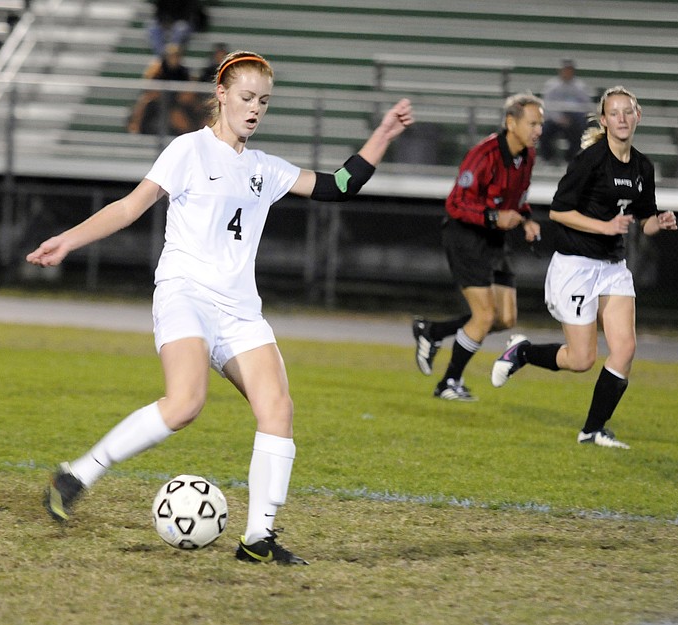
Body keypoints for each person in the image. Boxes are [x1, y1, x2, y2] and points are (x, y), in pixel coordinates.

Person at [27, 50, 414, 565]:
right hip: (184, 294)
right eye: (248, 97)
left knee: (278, 409)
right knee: (185, 403)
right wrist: (69, 241)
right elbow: (130, 206)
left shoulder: (264, 168)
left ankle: (258, 539)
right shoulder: (189, 150)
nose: (255, 108)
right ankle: (77, 474)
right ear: (222, 95)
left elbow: (341, 186)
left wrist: (384, 133)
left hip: (239, 310)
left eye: (264, 101)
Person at [490, 86, 678, 449]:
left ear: (638, 116)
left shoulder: (643, 166)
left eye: (628, 111)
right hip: (575, 266)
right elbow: (559, 211)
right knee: (581, 359)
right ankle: (523, 352)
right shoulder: (591, 160)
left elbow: (644, 219)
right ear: (604, 120)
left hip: (612, 267)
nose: (622, 118)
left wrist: (661, 221)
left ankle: (592, 430)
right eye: (615, 113)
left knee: (624, 349)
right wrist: (605, 226)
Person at [411, 93, 543, 401]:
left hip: (494, 239)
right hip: (466, 237)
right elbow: (455, 203)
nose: (538, 130)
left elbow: (518, 201)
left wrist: (526, 221)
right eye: (533, 123)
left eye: (541, 124)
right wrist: (495, 216)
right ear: (511, 122)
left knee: (505, 319)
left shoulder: (528, 156)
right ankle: (449, 383)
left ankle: (433, 332)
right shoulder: (484, 155)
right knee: (484, 316)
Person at [127, 43, 201, 136]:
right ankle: (135, 126)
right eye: (171, 56)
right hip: (157, 100)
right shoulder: (158, 68)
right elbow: (149, 84)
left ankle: (191, 132)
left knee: (182, 113)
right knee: (143, 102)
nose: (173, 58)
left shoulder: (183, 71)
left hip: (175, 101)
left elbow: (189, 87)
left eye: (176, 56)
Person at [539, 59, 592, 164]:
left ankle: (572, 158)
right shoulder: (551, 86)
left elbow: (586, 105)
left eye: (569, 70)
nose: (567, 73)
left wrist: (572, 117)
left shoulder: (580, 87)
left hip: (573, 120)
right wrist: (558, 118)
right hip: (554, 119)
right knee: (543, 131)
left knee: (580, 130)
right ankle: (548, 158)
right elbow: (547, 106)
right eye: (565, 70)